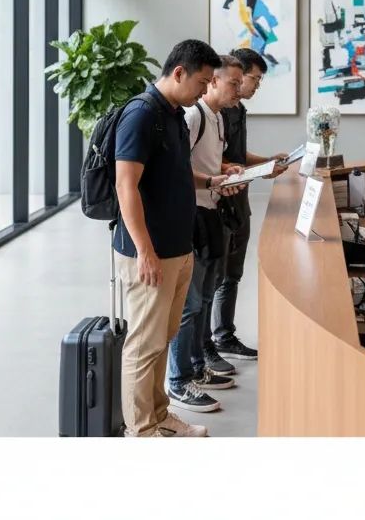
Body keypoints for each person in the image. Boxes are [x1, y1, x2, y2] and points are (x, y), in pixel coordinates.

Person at [113, 39, 239, 438]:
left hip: (178, 248)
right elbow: (125, 186)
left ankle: (160, 415)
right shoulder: (140, 114)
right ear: (179, 73)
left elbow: (178, 173)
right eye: (202, 81)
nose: (205, 90)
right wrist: (145, 251)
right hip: (150, 253)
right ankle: (141, 429)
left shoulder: (173, 114)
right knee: (144, 344)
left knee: (163, 339)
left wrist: (212, 181)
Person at [165, 54, 248, 414]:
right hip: (195, 216)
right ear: (212, 81)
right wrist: (214, 179)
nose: (239, 89)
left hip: (212, 211)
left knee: (203, 298)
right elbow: (179, 169)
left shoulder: (217, 118)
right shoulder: (194, 115)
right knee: (190, 303)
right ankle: (179, 380)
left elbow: (204, 163)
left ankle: (197, 367)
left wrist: (225, 169)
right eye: (233, 83)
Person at [207, 47, 289, 370]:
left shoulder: (238, 110)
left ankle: (224, 336)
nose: (254, 85)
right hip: (221, 201)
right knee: (214, 277)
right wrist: (240, 169)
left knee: (233, 273)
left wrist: (267, 162)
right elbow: (216, 163)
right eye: (252, 79)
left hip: (240, 201)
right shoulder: (215, 112)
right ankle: (209, 346)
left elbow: (237, 156)